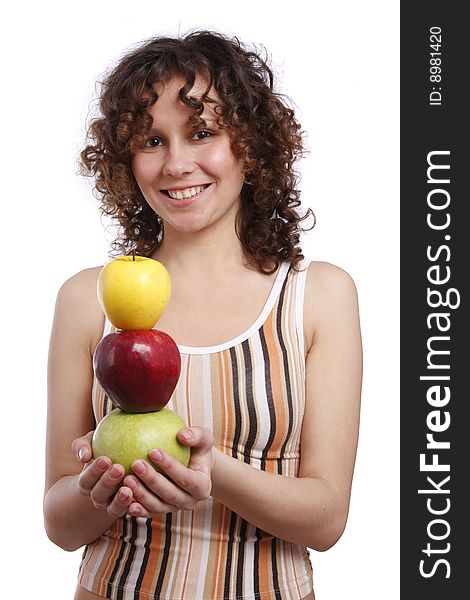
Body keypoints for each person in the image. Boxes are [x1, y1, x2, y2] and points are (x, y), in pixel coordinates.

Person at [43, 30, 362, 600]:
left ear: (251, 144)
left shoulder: (318, 296)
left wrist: (215, 473)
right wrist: (98, 490)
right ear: (125, 160)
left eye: (203, 133)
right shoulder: (88, 300)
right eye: (151, 140)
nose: (176, 163)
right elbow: (59, 523)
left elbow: (327, 518)